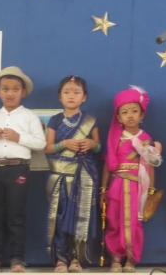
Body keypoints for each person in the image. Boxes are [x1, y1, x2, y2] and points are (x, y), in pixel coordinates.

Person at [0, 66, 46, 273]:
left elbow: (40, 143)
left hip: (18, 169)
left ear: (23, 92)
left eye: (15, 89)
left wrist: (18, 137)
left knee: (16, 215)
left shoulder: (29, 117)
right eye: (5, 89)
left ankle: (17, 259)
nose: (10, 93)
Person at [100, 86, 162, 273]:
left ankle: (131, 260)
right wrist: (103, 189)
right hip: (116, 186)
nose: (130, 116)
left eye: (134, 111)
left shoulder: (146, 140)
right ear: (118, 117)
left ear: (142, 115)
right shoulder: (115, 139)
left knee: (134, 223)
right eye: (125, 112)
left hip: (137, 187)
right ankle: (116, 259)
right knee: (114, 221)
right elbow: (108, 165)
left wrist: (151, 190)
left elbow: (150, 166)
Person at [45, 76, 101, 273]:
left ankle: (77, 259)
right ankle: (61, 259)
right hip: (60, 177)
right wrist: (64, 144)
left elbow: (99, 147)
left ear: (84, 97)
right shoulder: (55, 120)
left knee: (80, 217)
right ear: (59, 97)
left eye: (76, 92)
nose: (71, 96)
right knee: (60, 216)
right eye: (66, 92)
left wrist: (92, 144)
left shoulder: (90, 121)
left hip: (83, 176)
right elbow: (48, 148)